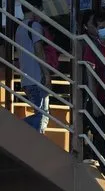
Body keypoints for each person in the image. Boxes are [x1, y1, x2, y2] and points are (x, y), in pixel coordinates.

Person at [82, 11, 105, 179]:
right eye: (102, 27)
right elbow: (90, 77)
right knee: (101, 134)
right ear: (96, 29)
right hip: (101, 98)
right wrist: (95, 102)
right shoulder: (92, 48)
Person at [15, 0, 51, 134]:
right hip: (37, 78)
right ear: (34, 8)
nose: (42, 13)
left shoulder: (19, 28)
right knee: (42, 117)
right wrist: (47, 75)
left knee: (41, 115)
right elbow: (38, 50)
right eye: (40, 9)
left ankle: (16, 128)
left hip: (26, 79)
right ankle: (14, 128)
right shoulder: (34, 26)